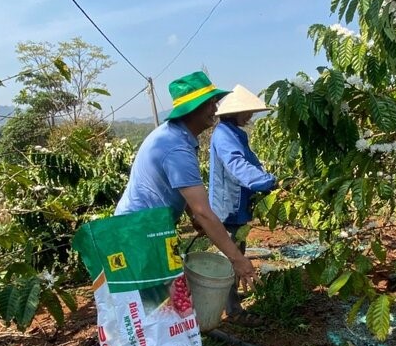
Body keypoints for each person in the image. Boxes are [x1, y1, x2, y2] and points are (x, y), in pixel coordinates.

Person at [115, 71, 258, 292]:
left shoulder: (175, 137)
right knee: (157, 302)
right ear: (193, 108)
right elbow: (203, 210)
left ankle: (196, 327)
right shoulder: (176, 148)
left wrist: (193, 217)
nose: (215, 109)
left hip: (151, 227)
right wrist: (238, 260)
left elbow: (188, 200)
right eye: (210, 103)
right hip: (139, 231)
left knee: (171, 297)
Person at [209, 84, 276, 325]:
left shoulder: (235, 133)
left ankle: (231, 301)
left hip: (238, 204)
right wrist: (269, 182)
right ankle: (233, 310)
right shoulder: (224, 135)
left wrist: (265, 175)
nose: (250, 116)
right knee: (232, 256)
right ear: (235, 112)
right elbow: (238, 167)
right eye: (246, 111)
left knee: (238, 252)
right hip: (228, 206)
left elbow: (251, 163)